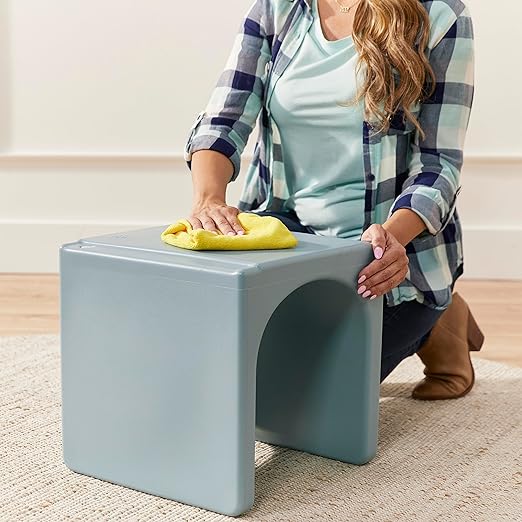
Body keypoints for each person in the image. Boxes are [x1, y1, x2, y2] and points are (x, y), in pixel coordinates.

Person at [182, 0, 484, 398]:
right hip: (293, 240)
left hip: (383, 264)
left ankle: (438, 323)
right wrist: (209, 199)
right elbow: (223, 120)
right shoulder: (278, 9)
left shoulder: (441, 15)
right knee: (212, 368)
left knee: (298, 398)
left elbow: (438, 164)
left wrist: (391, 239)